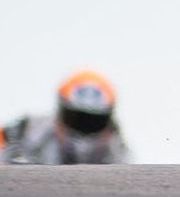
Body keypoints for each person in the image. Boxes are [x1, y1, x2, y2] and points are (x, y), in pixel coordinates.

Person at [0, 70, 131, 164]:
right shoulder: (27, 129)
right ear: (60, 113)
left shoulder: (118, 150)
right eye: (76, 119)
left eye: (93, 122)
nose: (83, 129)